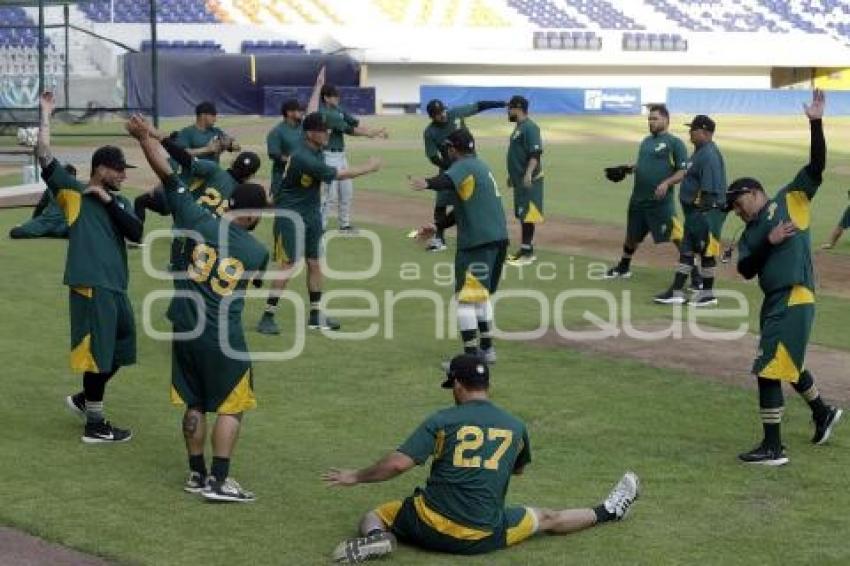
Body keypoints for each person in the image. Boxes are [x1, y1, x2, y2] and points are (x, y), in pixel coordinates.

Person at [323, 353, 640, 563]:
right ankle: (610, 511)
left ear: (458, 385)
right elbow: (517, 472)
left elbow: (397, 464)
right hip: (482, 536)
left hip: (425, 525)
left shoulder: (443, 420)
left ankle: (378, 538)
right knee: (548, 517)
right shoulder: (515, 427)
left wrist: (355, 476)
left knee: (376, 515)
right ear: (487, 385)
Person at [126, 114, 270, 501]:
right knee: (232, 405)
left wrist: (143, 138)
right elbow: (253, 278)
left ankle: (196, 475)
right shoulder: (257, 252)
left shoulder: (197, 219)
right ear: (253, 214)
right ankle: (221, 481)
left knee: (194, 402)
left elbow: (169, 175)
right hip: (223, 335)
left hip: (185, 327)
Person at [723, 89, 842, 466]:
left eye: (739, 205)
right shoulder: (751, 232)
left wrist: (816, 122)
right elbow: (744, 269)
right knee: (784, 361)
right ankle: (822, 412)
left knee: (768, 369)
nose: (738, 213)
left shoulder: (788, 199)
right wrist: (766, 243)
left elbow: (817, 167)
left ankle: (773, 448)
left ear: (755, 193)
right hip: (775, 301)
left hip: (793, 296)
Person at [36, 91, 142, 443]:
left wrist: (110, 201)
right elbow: (45, 157)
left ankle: (84, 399)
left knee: (122, 347)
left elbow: (137, 232)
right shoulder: (73, 194)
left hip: (116, 287)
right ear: (100, 169)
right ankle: (95, 425)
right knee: (98, 354)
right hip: (91, 284)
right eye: (119, 170)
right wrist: (45, 114)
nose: (124, 176)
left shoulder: (120, 201)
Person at [256, 111, 382, 335]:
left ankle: (315, 314)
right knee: (288, 265)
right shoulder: (303, 156)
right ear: (309, 133)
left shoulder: (316, 150)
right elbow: (339, 175)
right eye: (322, 131)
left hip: (311, 212)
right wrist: (369, 167)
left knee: (315, 263)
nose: (327, 134)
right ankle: (267, 316)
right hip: (291, 213)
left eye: (327, 130)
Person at [409, 128, 507, 363]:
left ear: (454, 149)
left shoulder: (463, 166)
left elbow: (445, 180)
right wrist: (438, 225)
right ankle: (487, 349)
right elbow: (465, 207)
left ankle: (471, 358)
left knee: (465, 299)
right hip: (497, 239)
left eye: (448, 148)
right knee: (480, 296)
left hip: (477, 242)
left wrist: (427, 183)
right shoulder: (480, 166)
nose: (447, 152)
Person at [604, 104, 688, 279]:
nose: (651, 122)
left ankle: (695, 275)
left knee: (677, 236)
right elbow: (644, 165)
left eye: (655, 118)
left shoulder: (675, 143)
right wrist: (627, 169)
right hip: (638, 200)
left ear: (666, 120)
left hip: (660, 203)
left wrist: (666, 183)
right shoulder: (646, 141)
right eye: (649, 119)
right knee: (631, 236)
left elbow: (682, 171)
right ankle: (623, 267)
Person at [654, 114, 726, 307]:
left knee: (705, 252)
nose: (690, 133)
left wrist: (701, 214)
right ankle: (677, 292)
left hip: (704, 213)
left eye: (692, 130)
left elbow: (710, 189)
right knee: (688, 251)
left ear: (704, 132)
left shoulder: (709, 154)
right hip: (696, 213)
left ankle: (707, 294)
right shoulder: (699, 151)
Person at [422, 97, 508, 252]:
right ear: (431, 117)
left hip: (469, 164)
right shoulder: (430, 132)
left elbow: (479, 105)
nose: (442, 115)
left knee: (472, 201)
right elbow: (432, 156)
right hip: (449, 167)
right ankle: (439, 239)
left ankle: (480, 234)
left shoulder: (455, 113)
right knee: (441, 204)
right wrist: (449, 167)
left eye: (442, 111)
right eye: (437, 114)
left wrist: (502, 103)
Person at [318, 84, 388, 233]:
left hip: (341, 155)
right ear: (326, 98)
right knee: (330, 195)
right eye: (334, 96)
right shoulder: (326, 113)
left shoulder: (338, 110)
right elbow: (349, 130)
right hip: (328, 156)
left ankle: (344, 225)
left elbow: (355, 122)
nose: (337, 98)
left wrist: (374, 131)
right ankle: (320, 226)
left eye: (337, 96)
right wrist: (370, 134)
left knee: (346, 191)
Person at [505, 95, 544, 266]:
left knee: (528, 215)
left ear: (517, 108)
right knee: (523, 215)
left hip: (530, 180)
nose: (508, 112)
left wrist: (528, 173)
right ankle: (524, 249)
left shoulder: (530, 127)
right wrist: (512, 175)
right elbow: (517, 153)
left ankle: (527, 254)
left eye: (510, 108)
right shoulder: (520, 127)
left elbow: (535, 153)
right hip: (519, 179)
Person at [9, 163, 77, 239]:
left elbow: (40, 206)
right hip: (59, 225)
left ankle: (50, 232)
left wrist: (32, 222)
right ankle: (57, 232)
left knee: (15, 232)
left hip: (47, 223)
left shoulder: (51, 188)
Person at [174, 101, 239, 164]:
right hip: (194, 173)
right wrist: (207, 149)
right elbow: (181, 153)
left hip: (214, 173)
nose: (215, 119)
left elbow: (237, 147)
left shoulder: (216, 131)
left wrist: (231, 144)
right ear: (203, 115)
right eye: (213, 116)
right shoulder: (187, 132)